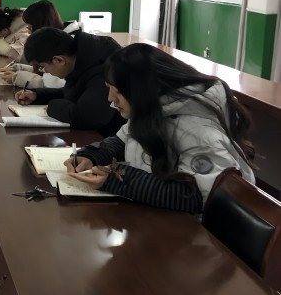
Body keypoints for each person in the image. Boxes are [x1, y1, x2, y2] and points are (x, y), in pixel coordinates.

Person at [66, 43, 255, 214]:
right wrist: (93, 156)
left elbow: (196, 196)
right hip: (157, 218)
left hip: (195, 231)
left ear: (141, 90)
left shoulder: (199, 130)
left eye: (117, 91)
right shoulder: (152, 109)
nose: (110, 98)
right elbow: (122, 141)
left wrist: (119, 179)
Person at [15, 27, 125, 136]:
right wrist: (37, 95)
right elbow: (72, 93)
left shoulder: (104, 68)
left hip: (111, 138)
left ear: (59, 60)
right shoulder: (82, 57)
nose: (44, 71)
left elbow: (86, 117)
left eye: (42, 67)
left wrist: (52, 107)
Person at [0, 0, 80, 89]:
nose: (28, 30)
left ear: (40, 26)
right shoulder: (56, 39)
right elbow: (48, 69)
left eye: (30, 27)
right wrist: (20, 68)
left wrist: (18, 77)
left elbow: (60, 82)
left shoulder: (69, 43)